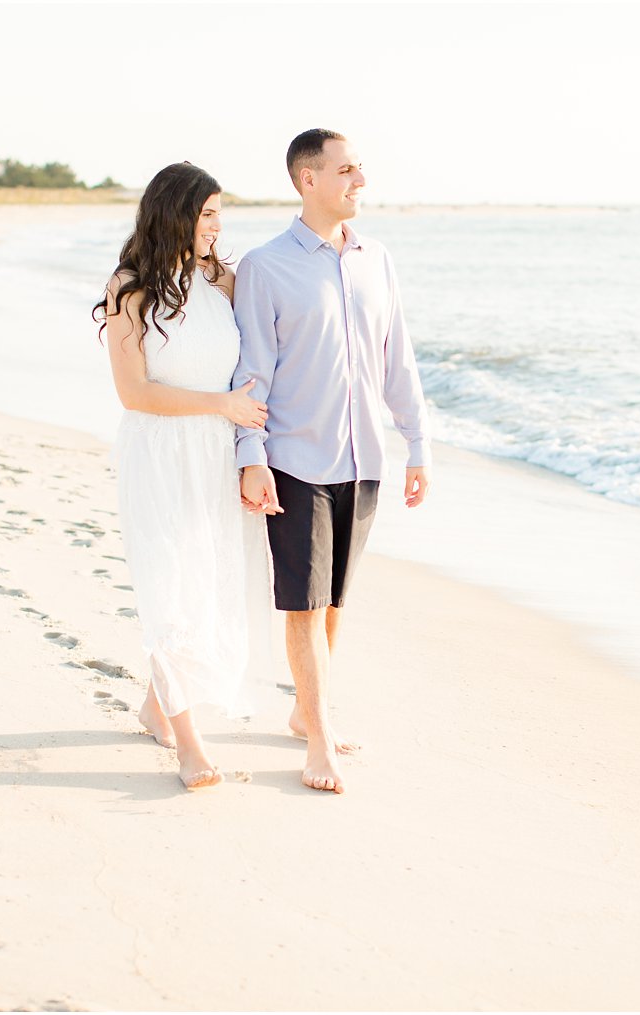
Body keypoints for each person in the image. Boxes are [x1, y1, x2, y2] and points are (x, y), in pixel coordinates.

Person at [233, 129, 432, 795]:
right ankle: (318, 738)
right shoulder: (266, 266)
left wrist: (417, 444)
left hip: (364, 457)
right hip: (293, 459)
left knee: (334, 601)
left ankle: (301, 709)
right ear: (306, 180)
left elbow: (396, 357)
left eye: (359, 169)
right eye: (346, 171)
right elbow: (251, 373)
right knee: (304, 603)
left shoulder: (377, 258)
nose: (360, 182)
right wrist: (250, 458)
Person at [93, 162, 273, 790]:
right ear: (171, 213)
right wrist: (221, 406)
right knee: (169, 586)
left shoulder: (223, 280)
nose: (215, 226)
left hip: (217, 454)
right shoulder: (130, 288)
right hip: (160, 453)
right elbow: (134, 393)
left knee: (204, 580)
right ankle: (189, 745)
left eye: (219, 212)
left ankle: (154, 704)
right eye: (204, 213)